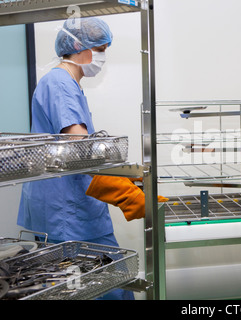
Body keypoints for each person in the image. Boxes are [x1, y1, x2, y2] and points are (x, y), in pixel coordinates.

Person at [17, 17, 134, 300]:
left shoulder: (66, 83)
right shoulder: (59, 84)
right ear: (80, 48)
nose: (102, 58)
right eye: (101, 49)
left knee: (104, 284)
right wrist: (122, 180)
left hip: (69, 207)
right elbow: (80, 144)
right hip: (67, 214)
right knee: (101, 286)